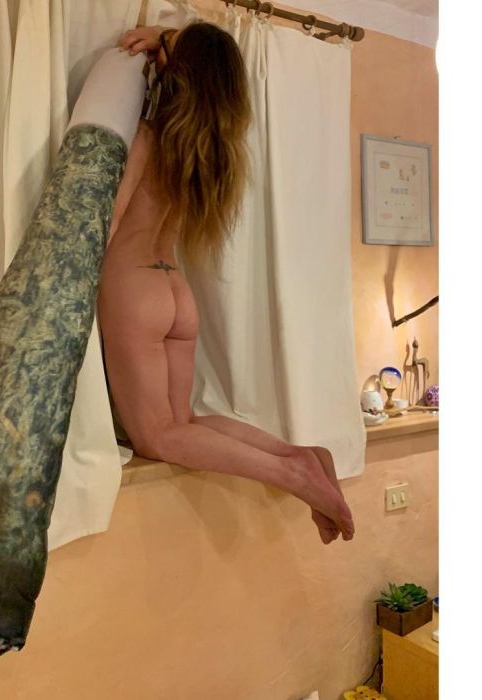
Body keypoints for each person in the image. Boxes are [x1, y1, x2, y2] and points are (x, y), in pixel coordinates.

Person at [96, 21, 355, 544]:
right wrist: (166, 39)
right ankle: (296, 453)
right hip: (175, 290)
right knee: (184, 422)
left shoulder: (147, 136)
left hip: (133, 289)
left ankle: (293, 474)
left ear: (178, 74)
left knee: (159, 437)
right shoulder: (210, 151)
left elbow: (109, 220)